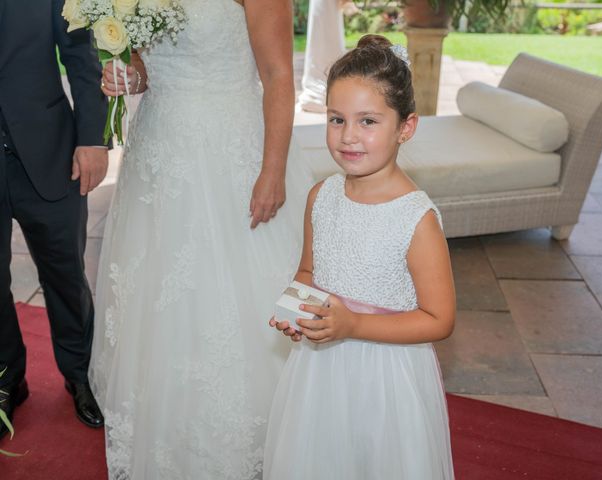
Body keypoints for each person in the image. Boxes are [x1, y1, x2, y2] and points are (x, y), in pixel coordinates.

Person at [89, 0, 313, 478]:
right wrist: (128, 74)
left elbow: (277, 75)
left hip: (229, 151)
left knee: (227, 297)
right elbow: (146, 64)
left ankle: (245, 439)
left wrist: (272, 170)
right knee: (160, 302)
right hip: (158, 154)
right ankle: (169, 430)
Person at [264, 35, 456, 479]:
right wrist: (297, 308)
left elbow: (439, 319)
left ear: (405, 127)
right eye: (336, 119)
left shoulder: (416, 219)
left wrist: (354, 325)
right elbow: (310, 270)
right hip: (320, 370)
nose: (348, 136)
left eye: (367, 121)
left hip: (387, 378)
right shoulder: (321, 196)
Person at [0, 0, 108, 439]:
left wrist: (91, 139)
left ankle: (81, 374)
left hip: (49, 151)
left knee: (65, 270)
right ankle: (7, 379)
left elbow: (82, 54)